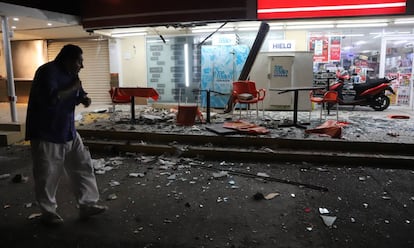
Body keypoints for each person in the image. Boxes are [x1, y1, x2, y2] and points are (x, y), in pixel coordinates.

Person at [25, 44, 107, 225]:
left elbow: (78, 92)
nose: (82, 66)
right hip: (47, 132)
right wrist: (73, 88)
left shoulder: (72, 74)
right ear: (68, 60)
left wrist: (83, 98)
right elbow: (50, 99)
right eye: (80, 61)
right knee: (48, 174)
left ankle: (87, 205)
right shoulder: (47, 72)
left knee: (82, 166)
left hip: (67, 130)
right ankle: (48, 213)